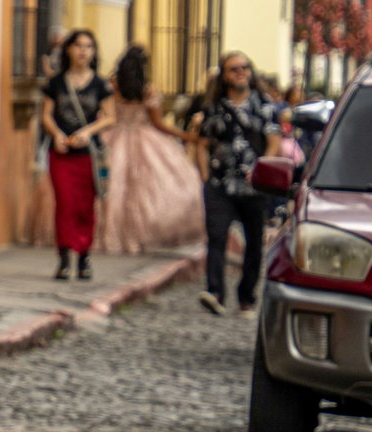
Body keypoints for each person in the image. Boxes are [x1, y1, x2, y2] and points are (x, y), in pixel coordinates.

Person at [190, 51, 282, 316]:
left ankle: (246, 298)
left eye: (244, 67)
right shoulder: (213, 107)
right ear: (224, 76)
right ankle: (215, 292)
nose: (241, 72)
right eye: (234, 69)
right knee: (216, 236)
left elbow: (273, 140)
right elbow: (203, 144)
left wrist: (264, 167)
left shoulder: (265, 105)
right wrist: (206, 178)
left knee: (253, 243)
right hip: (220, 184)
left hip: (254, 186)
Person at [94, 46, 205, 256]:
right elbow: (159, 124)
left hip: (112, 137)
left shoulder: (111, 85)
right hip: (144, 139)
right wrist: (185, 137)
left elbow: (104, 113)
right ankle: (139, 235)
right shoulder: (148, 90)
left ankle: (107, 234)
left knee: (109, 188)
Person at [40, 29, 114, 281]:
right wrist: (57, 134)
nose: (83, 51)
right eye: (79, 45)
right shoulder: (56, 82)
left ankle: (84, 255)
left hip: (88, 154)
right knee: (64, 204)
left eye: (89, 46)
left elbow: (110, 117)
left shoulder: (100, 84)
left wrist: (88, 131)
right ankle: (64, 258)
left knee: (85, 206)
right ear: (69, 49)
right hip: (60, 153)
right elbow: (46, 114)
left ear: (93, 52)